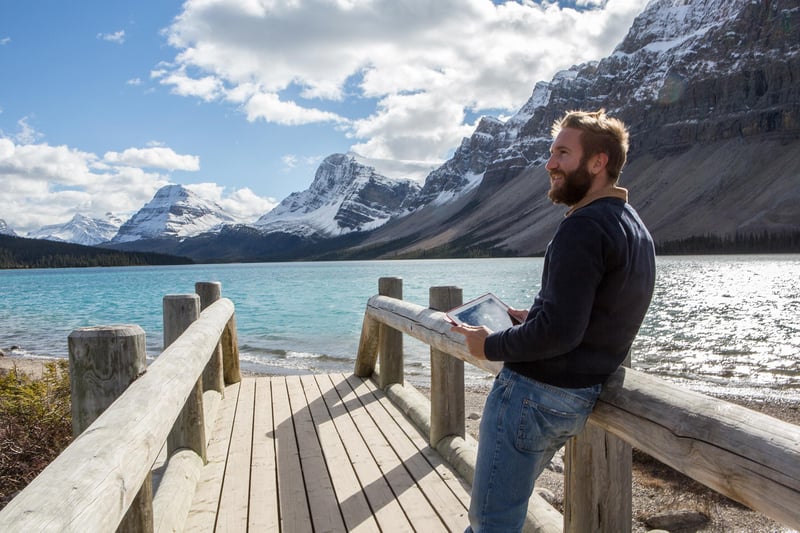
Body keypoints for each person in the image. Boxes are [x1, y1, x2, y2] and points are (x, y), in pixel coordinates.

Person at [452, 109, 656, 533]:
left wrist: (488, 345)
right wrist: (538, 314)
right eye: (551, 152)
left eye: (563, 153)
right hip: (577, 398)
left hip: (532, 396)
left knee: (492, 523)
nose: (550, 164)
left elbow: (562, 333)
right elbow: (596, 314)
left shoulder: (582, 227)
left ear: (598, 162)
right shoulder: (634, 228)